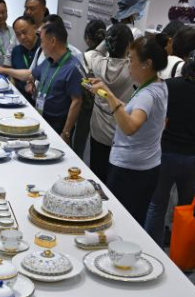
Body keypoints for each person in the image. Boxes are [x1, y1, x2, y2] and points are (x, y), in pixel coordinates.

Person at [87, 35, 168, 226]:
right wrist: (110, 95)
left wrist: (108, 97)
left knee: (122, 222)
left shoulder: (147, 95)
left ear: (146, 64)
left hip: (132, 170)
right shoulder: (159, 85)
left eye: (131, 60)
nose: (128, 64)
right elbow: (137, 114)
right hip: (145, 165)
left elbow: (130, 127)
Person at [145, 48, 195, 247]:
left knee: (156, 205)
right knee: (185, 209)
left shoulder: (168, 85)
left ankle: (152, 248)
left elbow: (158, 118)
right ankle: (180, 252)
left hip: (165, 152)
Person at [84, 23, 134, 183]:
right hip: (121, 129)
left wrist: (107, 39)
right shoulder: (132, 68)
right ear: (129, 45)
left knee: (98, 174)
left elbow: (97, 50)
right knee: (117, 179)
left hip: (99, 130)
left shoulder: (97, 62)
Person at [31, 21, 83, 141]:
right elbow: (31, 74)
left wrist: (66, 133)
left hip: (58, 126)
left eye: (43, 41)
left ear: (53, 41)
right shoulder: (49, 61)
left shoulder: (73, 67)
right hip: (42, 118)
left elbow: (77, 101)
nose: (41, 45)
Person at [72, 19, 106, 158]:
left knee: (80, 139)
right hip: (104, 105)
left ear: (87, 38)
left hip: (86, 105)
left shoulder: (84, 56)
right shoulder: (108, 57)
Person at [0, 15, 38, 102]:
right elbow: (13, 78)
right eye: (18, 34)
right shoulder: (16, 51)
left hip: (39, 99)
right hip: (21, 98)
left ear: (34, 28)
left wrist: (3, 70)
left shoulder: (43, 48)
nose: (22, 37)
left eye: (25, 32)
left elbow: (34, 74)